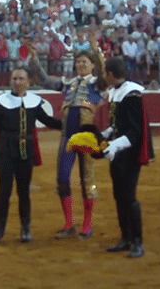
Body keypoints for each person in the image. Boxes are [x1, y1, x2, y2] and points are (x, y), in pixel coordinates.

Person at [0, 68, 62, 243]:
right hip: (6, 152)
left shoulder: (35, 102)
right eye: (14, 78)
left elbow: (49, 122)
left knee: (24, 192)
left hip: (26, 152)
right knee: (4, 191)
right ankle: (0, 227)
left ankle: (25, 228)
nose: (17, 81)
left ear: (28, 82)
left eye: (21, 78)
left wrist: (71, 123)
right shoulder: (1, 102)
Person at [30, 38, 107, 239]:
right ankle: (69, 223)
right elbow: (44, 80)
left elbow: (105, 75)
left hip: (86, 136)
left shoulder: (97, 84)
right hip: (67, 136)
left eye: (84, 62)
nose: (80, 65)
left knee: (87, 179)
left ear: (92, 65)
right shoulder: (68, 84)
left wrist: (95, 50)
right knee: (63, 178)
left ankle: (87, 223)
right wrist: (34, 58)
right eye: (78, 62)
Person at [101, 56, 154, 258]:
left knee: (129, 197)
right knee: (119, 195)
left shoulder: (131, 94)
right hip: (118, 152)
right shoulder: (116, 92)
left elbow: (135, 132)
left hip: (129, 153)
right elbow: (119, 124)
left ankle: (137, 242)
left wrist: (115, 144)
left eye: (106, 73)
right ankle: (126, 237)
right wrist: (108, 133)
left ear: (111, 74)